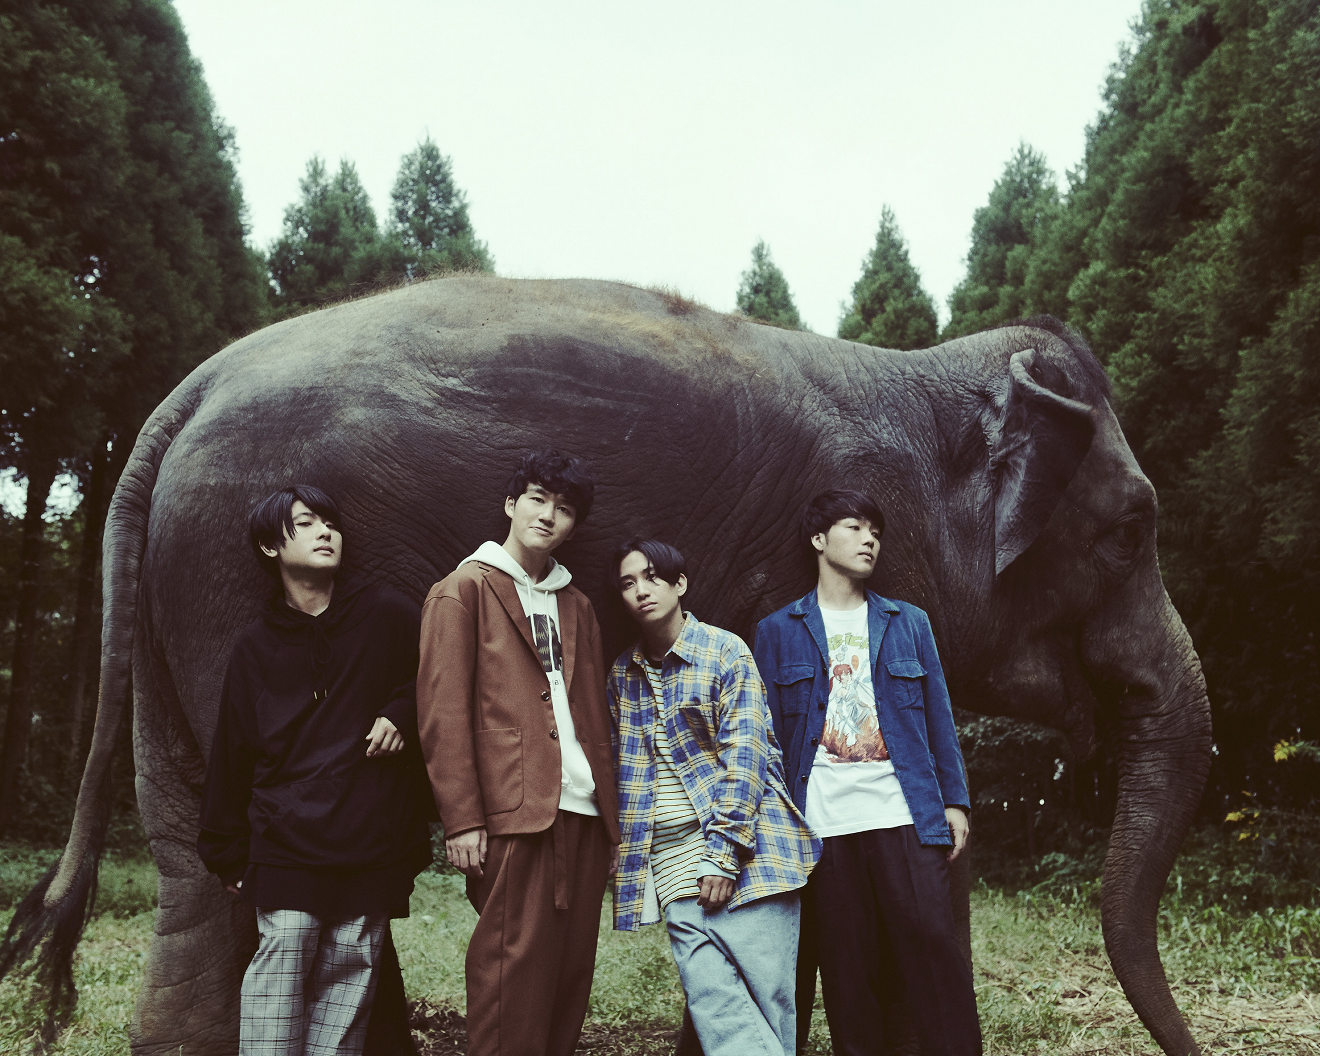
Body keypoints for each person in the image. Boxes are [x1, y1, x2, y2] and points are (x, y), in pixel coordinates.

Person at [198, 485, 433, 1056]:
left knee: (349, 987)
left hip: (370, 834)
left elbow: (439, 673)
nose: (326, 531)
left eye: (330, 522)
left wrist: (402, 710)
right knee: (279, 976)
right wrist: (226, 849)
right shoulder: (256, 645)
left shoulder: (386, 614)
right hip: (286, 839)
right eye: (305, 523)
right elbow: (233, 749)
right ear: (270, 546)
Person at [752, 489, 983, 1056]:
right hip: (822, 824)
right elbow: (763, 736)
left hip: (904, 813)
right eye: (854, 527)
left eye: (874, 532)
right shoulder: (777, 631)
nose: (869, 540)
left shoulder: (908, 623)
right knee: (847, 970)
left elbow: (938, 717)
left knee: (936, 953)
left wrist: (954, 800)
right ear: (818, 539)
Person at [416, 449, 619, 1056]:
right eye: (537, 499)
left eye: (564, 509)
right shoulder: (463, 590)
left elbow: (592, 713)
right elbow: (442, 713)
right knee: (511, 976)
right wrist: (462, 819)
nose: (548, 515)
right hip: (515, 810)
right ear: (510, 504)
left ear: (573, 527)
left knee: (569, 976)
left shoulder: (576, 604)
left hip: (583, 810)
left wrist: (612, 818)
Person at [608, 538, 820, 1056]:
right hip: (670, 860)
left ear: (680, 584)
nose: (641, 591)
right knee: (715, 1006)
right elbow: (625, 775)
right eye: (628, 583)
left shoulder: (725, 651)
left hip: (749, 853)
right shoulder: (622, 674)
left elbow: (747, 757)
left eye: (652, 577)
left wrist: (722, 855)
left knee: (768, 1004)